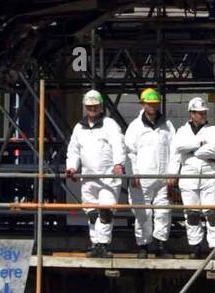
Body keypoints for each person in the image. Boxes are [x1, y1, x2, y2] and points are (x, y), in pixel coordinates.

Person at [65, 90, 125, 258]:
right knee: (91, 213)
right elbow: (73, 151)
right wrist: (72, 167)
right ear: (85, 107)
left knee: (105, 211)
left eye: (95, 106)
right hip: (88, 178)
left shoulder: (110, 125)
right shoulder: (79, 128)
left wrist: (119, 164)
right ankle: (95, 243)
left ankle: (103, 244)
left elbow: (118, 145)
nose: (92, 109)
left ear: (100, 106)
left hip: (108, 177)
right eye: (89, 106)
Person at [170, 97, 215, 255]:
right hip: (188, 176)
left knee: (212, 213)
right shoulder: (182, 131)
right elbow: (179, 147)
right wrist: (199, 144)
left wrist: (192, 151)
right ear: (191, 114)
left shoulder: (213, 130)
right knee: (192, 214)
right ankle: (195, 245)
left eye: (204, 113)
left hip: (209, 175)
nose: (202, 115)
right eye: (199, 113)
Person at [124, 87, 175, 258]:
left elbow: (174, 152)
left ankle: (160, 246)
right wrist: (133, 174)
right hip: (142, 178)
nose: (152, 106)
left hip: (163, 178)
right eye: (149, 103)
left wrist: (172, 174)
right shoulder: (134, 127)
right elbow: (129, 153)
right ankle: (143, 246)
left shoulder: (167, 125)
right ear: (143, 104)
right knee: (142, 213)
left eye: (155, 103)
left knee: (163, 211)